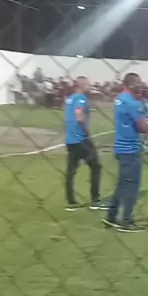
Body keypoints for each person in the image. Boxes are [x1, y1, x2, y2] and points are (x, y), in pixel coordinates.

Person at [103, 73, 148, 233]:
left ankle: (111, 216)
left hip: (121, 147)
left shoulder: (120, 98)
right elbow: (143, 127)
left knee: (122, 185)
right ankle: (127, 221)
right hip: (131, 149)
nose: (141, 85)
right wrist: (145, 114)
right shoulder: (132, 103)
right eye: (138, 83)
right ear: (131, 84)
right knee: (132, 187)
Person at [64, 76, 103, 211]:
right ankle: (95, 200)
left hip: (70, 139)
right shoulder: (81, 98)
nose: (90, 87)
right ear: (82, 86)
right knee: (96, 166)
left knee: (71, 170)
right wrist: (87, 132)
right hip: (81, 139)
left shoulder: (70, 98)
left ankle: (71, 202)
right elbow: (79, 114)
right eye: (88, 85)